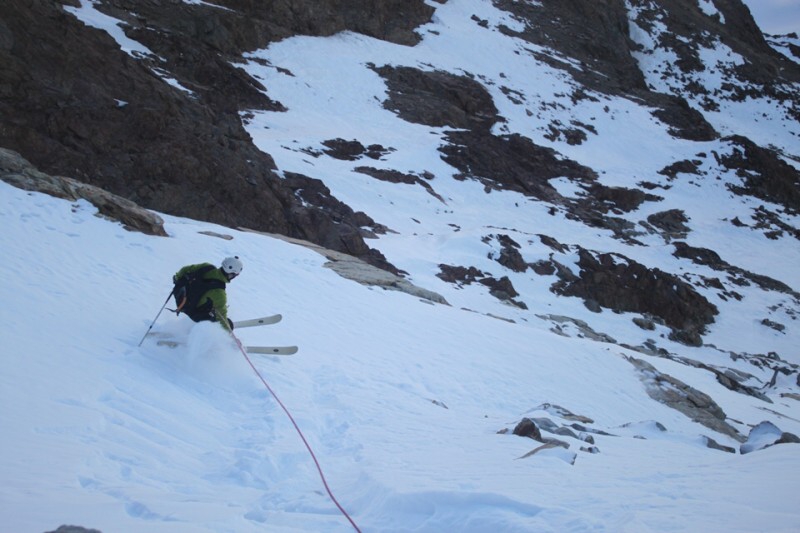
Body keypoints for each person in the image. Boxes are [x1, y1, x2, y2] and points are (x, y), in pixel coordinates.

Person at [172, 256, 243, 330]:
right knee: (217, 321)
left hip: (179, 296)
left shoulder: (207, 267)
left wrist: (177, 277)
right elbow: (222, 317)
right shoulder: (220, 293)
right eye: (236, 275)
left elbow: (185, 269)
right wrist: (227, 331)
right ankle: (199, 335)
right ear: (231, 274)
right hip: (191, 312)